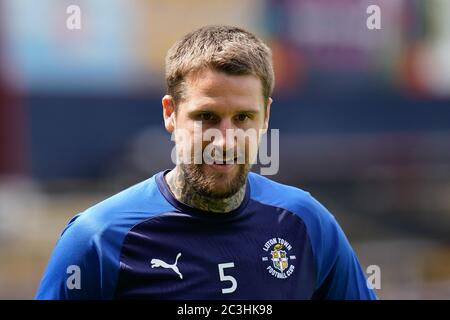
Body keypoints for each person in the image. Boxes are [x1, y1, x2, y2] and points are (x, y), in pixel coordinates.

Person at [36, 25, 377, 300]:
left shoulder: (307, 223)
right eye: (207, 117)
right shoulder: (99, 238)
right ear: (171, 113)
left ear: (266, 116)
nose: (225, 139)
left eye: (243, 117)